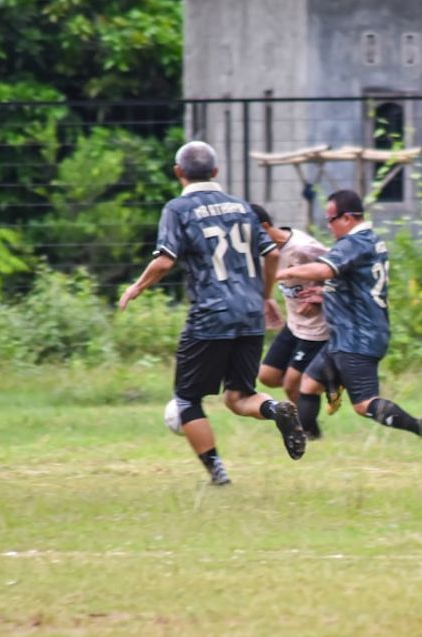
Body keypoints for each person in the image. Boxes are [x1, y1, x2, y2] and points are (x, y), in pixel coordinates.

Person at [117, 141, 306, 487]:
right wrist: (264, 297)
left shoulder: (178, 208)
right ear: (215, 172)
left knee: (187, 399)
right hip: (249, 312)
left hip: (210, 314)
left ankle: (218, 474)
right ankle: (275, 409)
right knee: (239, 396)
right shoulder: (242, 207)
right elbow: (273, 255)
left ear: (178, 172)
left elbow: (164, 261)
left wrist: (137, 287)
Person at [276, 189, 422, 441]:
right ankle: (309, 439)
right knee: (308, 384)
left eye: (331, 219)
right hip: (348, 334)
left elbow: (325, 270)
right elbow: (355, 282)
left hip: (358, 336)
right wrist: (325, 294)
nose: (328, 225)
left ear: (347, 218)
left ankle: (421, 428)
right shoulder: (370, 240)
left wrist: (284, 273)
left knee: (363, 404)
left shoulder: (354, 242)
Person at [252, 203, 331, 413]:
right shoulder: (263, 253)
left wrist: (320, 295)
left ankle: (306, 427)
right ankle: (321, 384)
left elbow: (342, 270)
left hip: (318, 328)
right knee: (267, 376)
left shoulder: (303, 247)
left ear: (264, 227)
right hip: (295, 324)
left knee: (291, 385)